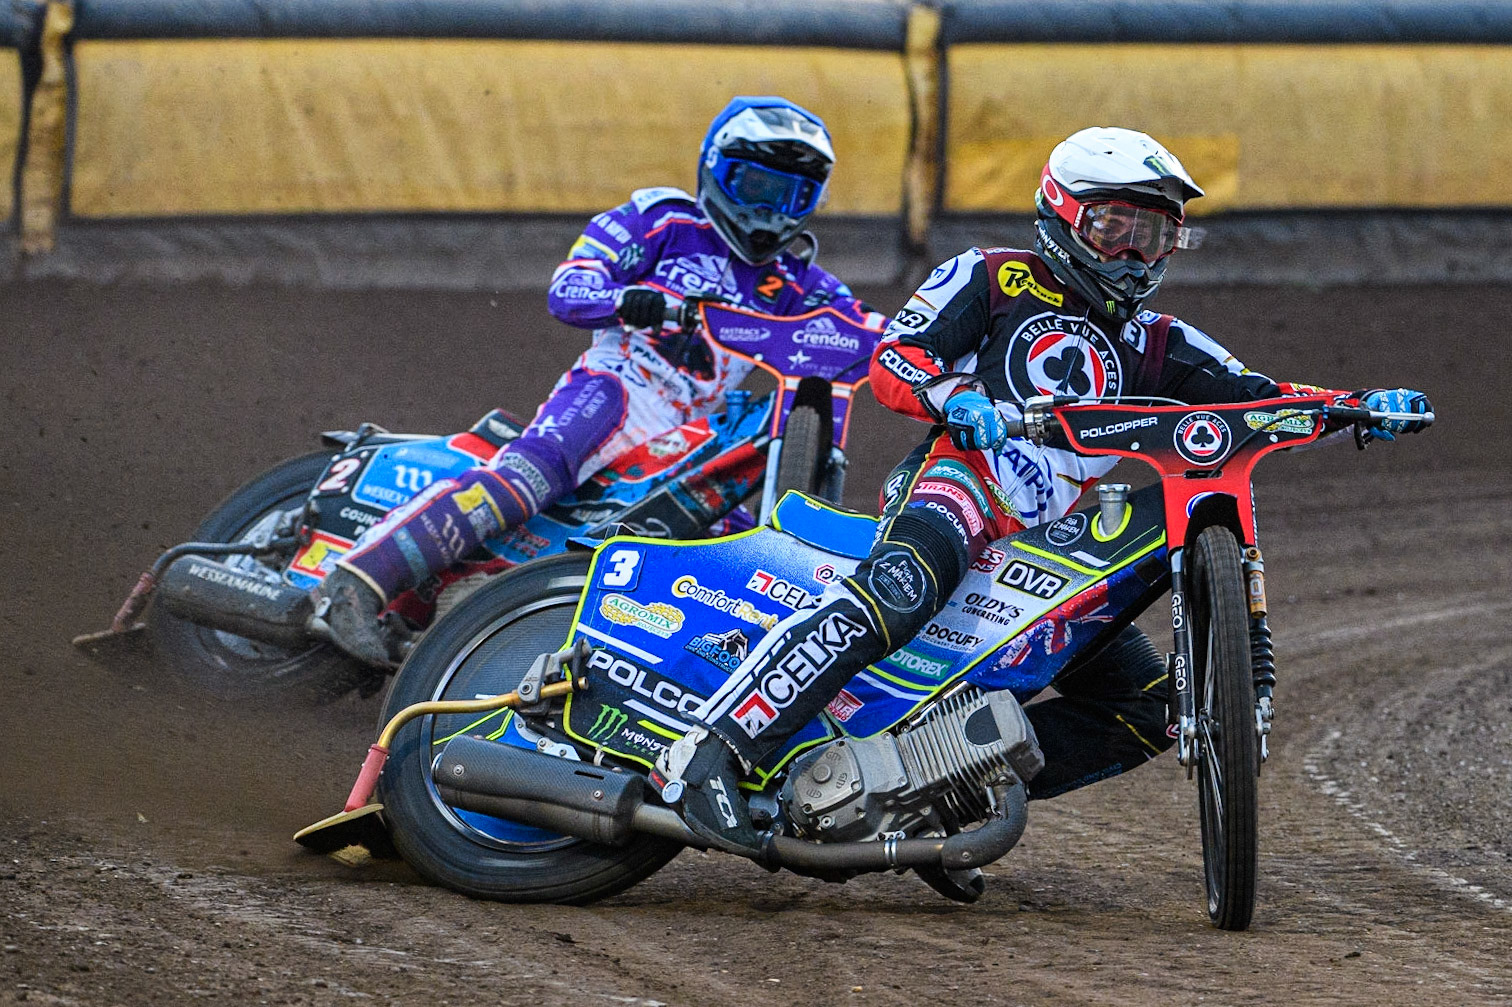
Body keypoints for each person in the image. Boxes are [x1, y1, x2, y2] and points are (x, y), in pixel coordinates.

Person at [650, 126, 1434, 854]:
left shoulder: (1160, 342)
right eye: (1113, 229)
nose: (1132, 254)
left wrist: (1354, 405)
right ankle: (709, 751)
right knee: (903, 586)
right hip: (959, 483)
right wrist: (953, 397)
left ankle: (937, 800)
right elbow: (895, 357)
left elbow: (1256, 397)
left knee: (1155, 709)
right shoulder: (992, 277)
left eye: (1153, 235)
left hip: (1047, 544)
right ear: (1062, 215)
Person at [318, 96, 878, 666]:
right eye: (755, 185)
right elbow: (569, 287)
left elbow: (868, 332)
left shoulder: (801, 283)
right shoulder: (663, 219)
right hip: (618, 386)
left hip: (696, 430)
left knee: (726, 540)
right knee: (537, 469)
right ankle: (357, 584)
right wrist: (633, 301)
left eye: (790, 195)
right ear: (715, 168)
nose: (769, 210)